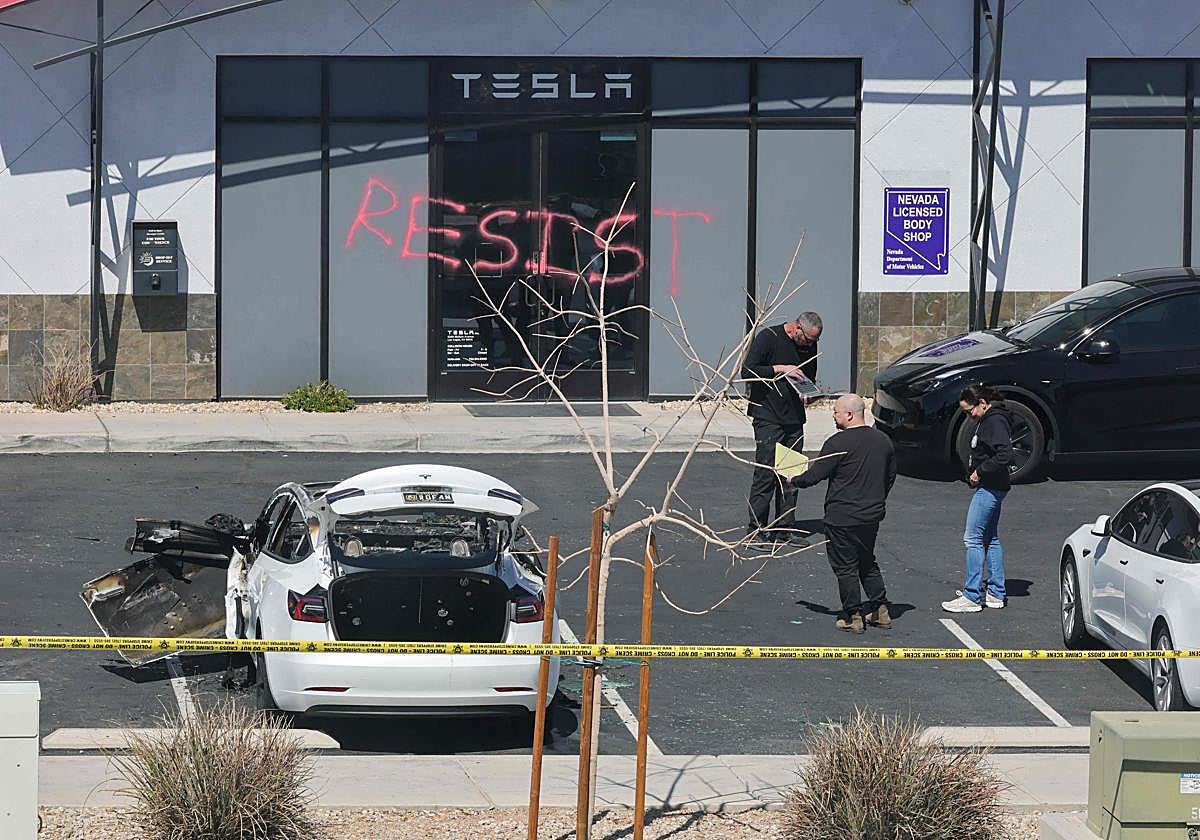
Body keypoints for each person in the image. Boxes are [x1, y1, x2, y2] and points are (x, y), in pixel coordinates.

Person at [790, 394, 897, 634]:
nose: (833, 416)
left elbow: (814, 476)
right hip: (871, 515)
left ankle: (853, 615)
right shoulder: (883, 440)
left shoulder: (837, 443)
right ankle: (880, 609)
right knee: (867, 561)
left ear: (849, 414)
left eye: (836, 412)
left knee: (845, 566)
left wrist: (793, 479)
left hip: (842, 516)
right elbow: (890, 476)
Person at [743, 312, 822, 544]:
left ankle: (784, 527)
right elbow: (748, 371)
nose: (810, 345)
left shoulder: (810, 345)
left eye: (814, 341)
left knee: (791, 475)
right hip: (768, 416)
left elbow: (810, 376)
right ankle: (756, 530)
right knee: (765, 474)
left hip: (794, 419)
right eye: (807, 340)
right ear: (796, 328)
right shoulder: (768, 337)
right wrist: (779, 368)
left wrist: (809, 394)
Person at [942, 385, 1013, 613]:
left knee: (972, 538)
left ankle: (972, 595)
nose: (968, 416)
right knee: (989, 538)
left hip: (990, 488)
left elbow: (1005, 454)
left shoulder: (994, 422)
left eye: (969, 410)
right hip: (993, 486)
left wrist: (979, 471)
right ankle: (995, 593)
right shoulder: (989, 419)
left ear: (982, 403)